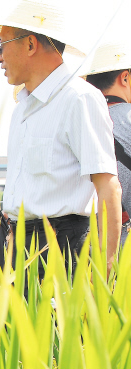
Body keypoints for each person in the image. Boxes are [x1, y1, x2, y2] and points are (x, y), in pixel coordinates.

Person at [0, 1, 121, 277]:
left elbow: (108, 188)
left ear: (30, 44)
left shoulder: (79, 98)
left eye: (1, 46)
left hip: (64, 248)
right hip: (19, 246)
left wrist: (106, 270)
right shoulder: (22, 109)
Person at [85, 42, 131, 246]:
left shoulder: (78, 121)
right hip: (123, 249)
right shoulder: (127, 119)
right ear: (125, 77)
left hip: (80, 250)